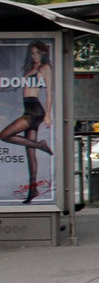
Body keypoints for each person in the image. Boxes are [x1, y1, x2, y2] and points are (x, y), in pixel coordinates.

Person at [0, 40, 54, 204]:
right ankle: (33, 188)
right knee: (30, 152)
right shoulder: (31, 69)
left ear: (44, 54)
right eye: (32, 53)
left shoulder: (45, 68)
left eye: (38, 53)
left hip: (35, 110)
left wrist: (48, 115)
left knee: (4, 135)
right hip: (28, 108)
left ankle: (41, 145)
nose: (35, 56)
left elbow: (49, 93)